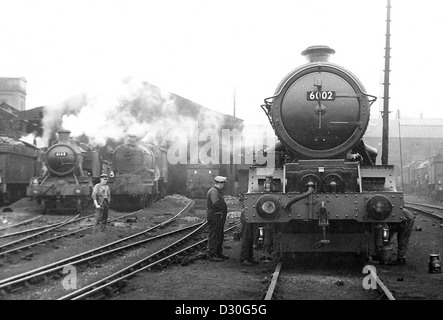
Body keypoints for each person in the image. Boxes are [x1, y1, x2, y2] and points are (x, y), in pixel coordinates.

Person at [206, 176, 229, 261]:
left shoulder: (216, 191)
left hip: (217, 216)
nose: (224, 185)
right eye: (223, 183)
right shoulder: (214, 191)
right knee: (214, 235)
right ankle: (212, 254)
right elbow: (215, 203)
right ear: (219, 183)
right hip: (215, 216)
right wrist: (219, 212)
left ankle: (218, 253)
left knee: (219, 235)